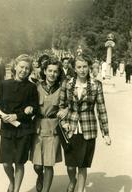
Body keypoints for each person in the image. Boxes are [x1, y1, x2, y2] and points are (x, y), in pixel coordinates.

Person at [58, 53, 111, 192]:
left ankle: (80, 190)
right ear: (74, 68)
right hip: (70, 128)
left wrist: (106, 133)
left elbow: (101, 109)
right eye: (79, 67)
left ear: (89, 67)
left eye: (85, 66)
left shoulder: (96, 85)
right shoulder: (67, 84)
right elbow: (61, 106)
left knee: (82, 165)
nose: (82, 70)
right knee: (70, 165)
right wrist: (64, 122)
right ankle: (72, 180)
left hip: (88, 130)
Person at [0, 54, 39, 192]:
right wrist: (2, 116)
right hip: (7, 128)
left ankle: (16, 190)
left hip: (24, 129)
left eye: (27, 68)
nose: (24, 70)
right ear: (15, 66)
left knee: (19, 163)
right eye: (21, 67)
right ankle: (12, 182)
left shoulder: (32, 87)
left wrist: (20, 114)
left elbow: (35, 108)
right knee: (6, 163)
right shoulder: (4, 84)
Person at [30, 57, 65, 192]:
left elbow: (68, 105)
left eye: (55, 71)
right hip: (38, 127)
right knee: (37, 165)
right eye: (49, 71)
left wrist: (66, 110)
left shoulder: (62, 89)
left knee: (49, 164)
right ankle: (40, 176)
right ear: (44, 71)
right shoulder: (37, 87)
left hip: (53, 128)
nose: (52, 74)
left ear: (58, 73)